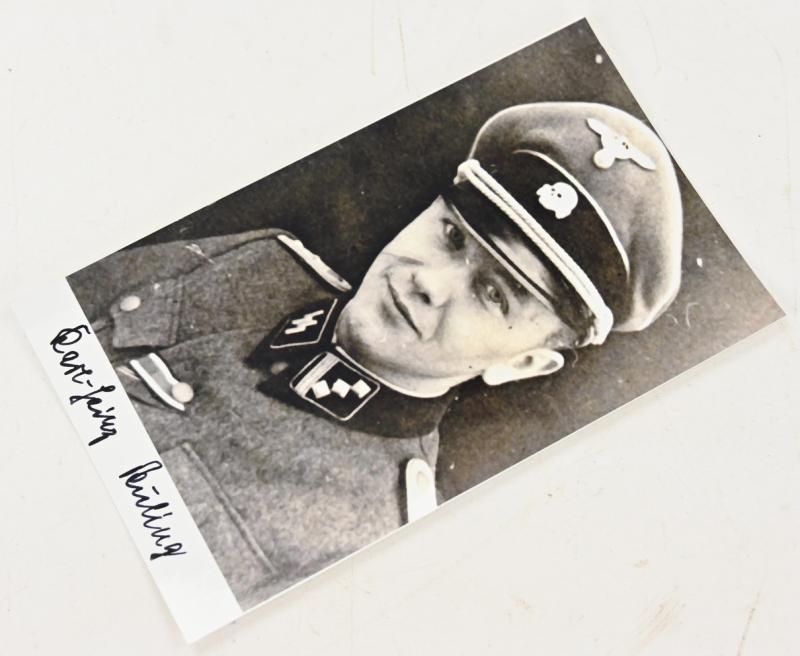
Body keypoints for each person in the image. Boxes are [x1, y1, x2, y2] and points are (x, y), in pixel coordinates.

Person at [68, 101, 683, 609]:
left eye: (494, 293)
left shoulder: (366, 537)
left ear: (521, 364)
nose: (429, 281)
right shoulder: (261, 264)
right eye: (451, 237)